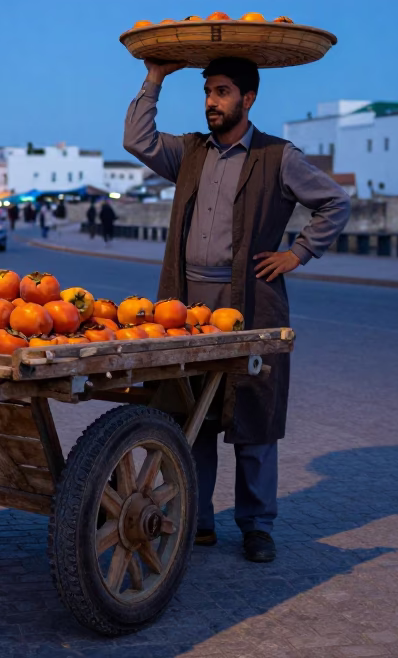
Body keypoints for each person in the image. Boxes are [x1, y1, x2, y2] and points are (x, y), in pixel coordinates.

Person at [124, 55, 350, 563]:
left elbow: (335, 202)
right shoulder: (188, 153)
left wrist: (298, 252)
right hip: (186, 307)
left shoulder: (278, 156)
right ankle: (197, 522)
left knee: (254, 417)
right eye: (207, 91)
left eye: (222, 92)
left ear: (248, 99)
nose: (211, 101)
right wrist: (155, 79)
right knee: (193, 415)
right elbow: (136, 141)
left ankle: (256, 526)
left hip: (251, 305)